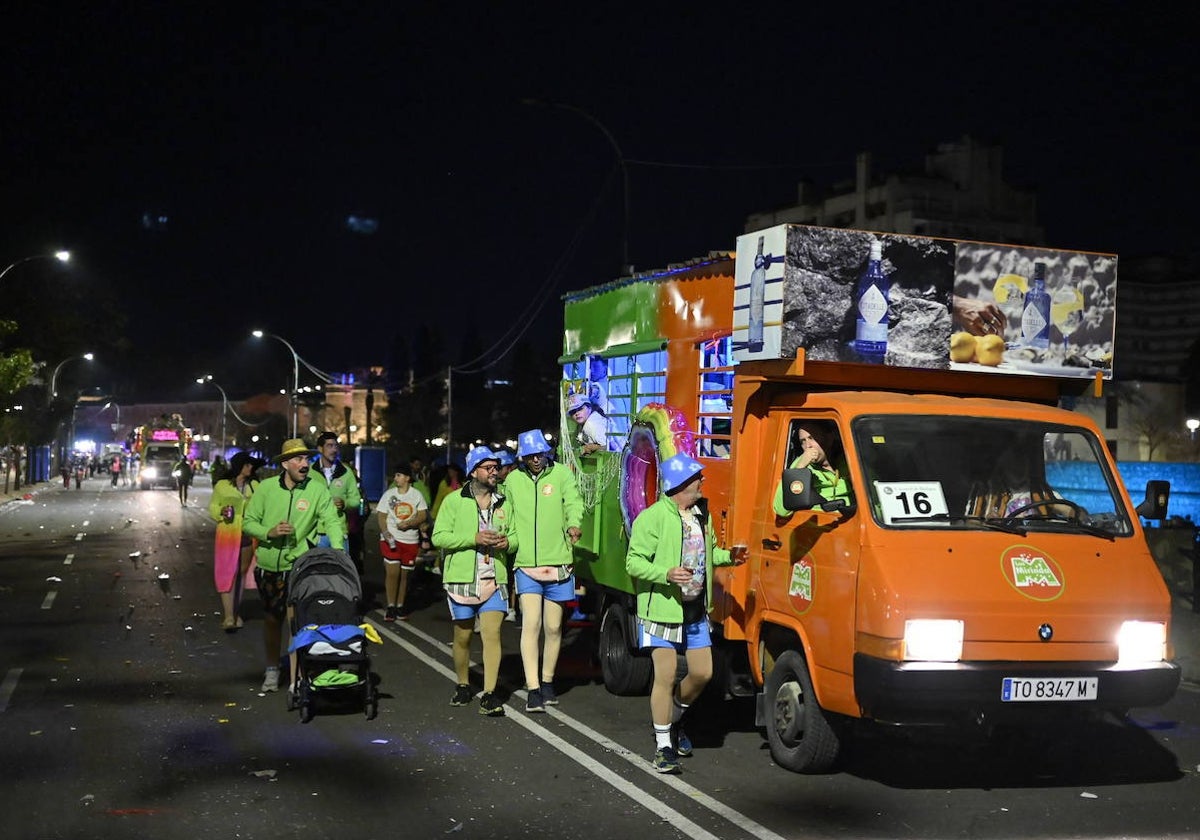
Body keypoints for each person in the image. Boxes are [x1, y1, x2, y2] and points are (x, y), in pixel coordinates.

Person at [625, 453, 745, 774]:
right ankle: (664, 747)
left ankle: (674, 719)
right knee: (664, 676)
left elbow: (708, 555)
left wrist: (730, 557)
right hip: (661, 609)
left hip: (694, 610)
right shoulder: (652, 518)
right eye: (698, 479)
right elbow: (633, 562)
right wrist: (666, 573)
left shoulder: (699, 516)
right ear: (681, 484)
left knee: (703, 673)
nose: (703, 483)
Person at [241, 438, 345, 694]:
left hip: (299, 566)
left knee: (295, 621)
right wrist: (270, 531)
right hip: (268, 566)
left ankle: (296, 677)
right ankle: (272, 668)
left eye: (307, 459)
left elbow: (331, 520)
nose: (305, 464)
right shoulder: (266, 488)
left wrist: (339, 551)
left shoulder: (317, 489)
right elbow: (248, 522)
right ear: (285, 464)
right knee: (272, 620)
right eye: (298, 459)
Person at [432, 445, 515, 717]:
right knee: (463, 636)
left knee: (492, 635)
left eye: (496, 468)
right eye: (489, 468)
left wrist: (507, 542)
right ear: (473, 472)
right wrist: (473, 538)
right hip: (461, 581)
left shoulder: (504, 502)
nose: (495, 472)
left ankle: (490, 694)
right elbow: (439, 537)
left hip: (495, 579)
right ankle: (463, 683)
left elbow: (515, 537)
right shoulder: (454, 501)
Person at [506, 428, 583, 712]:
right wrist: (507, 540)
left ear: (546, 452)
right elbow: (508, 516)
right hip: (526, 564)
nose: (535, 459)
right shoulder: (513, 480)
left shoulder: (562, 474)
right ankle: (534, 688)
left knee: (553, 627)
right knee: (532, 624)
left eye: (539, 453)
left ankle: (548, 681)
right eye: (530, 455)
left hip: (559, 562)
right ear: (523, 456)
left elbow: (574, 503)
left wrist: (574, 524)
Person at [208, 451, 261, 631]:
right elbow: (213, 506)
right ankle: (228, 616)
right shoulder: (222, 485)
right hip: (228, 534)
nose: (250, 468)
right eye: (247, 465)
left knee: (241, 573)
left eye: (251, 465)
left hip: (248, 533)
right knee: (226, 572)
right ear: (239, 466)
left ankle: (236, 613)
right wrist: (221, 512)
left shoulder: (254, 485)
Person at [377, 462, 428, 621]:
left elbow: (422, 515)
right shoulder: (389, 494)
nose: (396, 478)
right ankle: (391, 606)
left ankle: (400, 606)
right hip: (391, 539)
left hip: (410, 540)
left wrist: (410, 523)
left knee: (405, 575)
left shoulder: (416, 495)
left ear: (407, 478)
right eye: (396, 475)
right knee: (393, 573)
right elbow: (381, 515)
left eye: (399, 475)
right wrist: (385, 532)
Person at [772, 423, 852, 516]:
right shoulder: (801, 464)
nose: (808, 446)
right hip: (821, 523)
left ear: (829, 438)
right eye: (803, 441)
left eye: (811, 438)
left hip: (852, 517)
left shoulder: (846, 459)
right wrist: (800, 468)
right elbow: (781, 510)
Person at [308, 432, 364, 566]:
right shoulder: (309, 472)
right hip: (315, 533)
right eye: (329, 446)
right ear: (320, 449)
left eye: (336, 446)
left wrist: (345, 504)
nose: (334, 450)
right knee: (317, 571)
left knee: (340, 572)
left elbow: (356, 500)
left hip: (339, 532)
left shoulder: (346, 472)